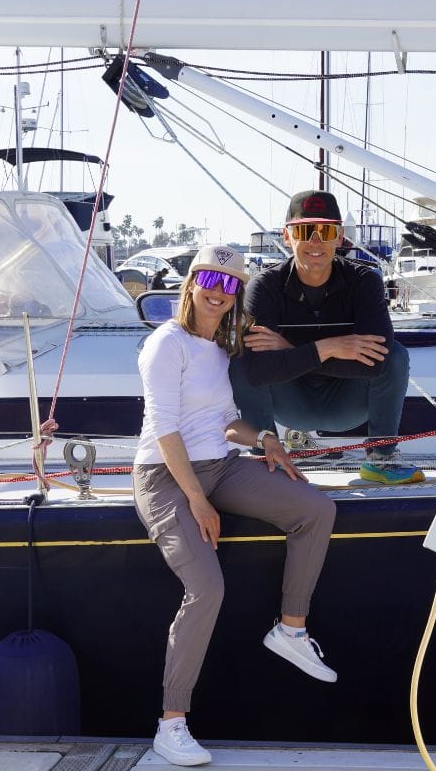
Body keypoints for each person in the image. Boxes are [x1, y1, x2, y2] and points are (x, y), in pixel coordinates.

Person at [133, 244, 338, 767]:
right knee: (207, 589)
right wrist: (198, 501)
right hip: (166, 479)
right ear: (191, 284)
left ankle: (291, 629)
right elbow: (165, 430)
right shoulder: (166, 344)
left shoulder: (218, 349)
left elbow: (226, 421)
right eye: (210, 280)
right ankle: (171, 724)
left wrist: (265, 438)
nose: (218, 292)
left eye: (229, 285)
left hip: (220, 465)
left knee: (316, 510)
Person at [230, 190, 423, 485]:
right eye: (305, 231)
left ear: (340, 237)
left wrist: (290, 349)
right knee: (241, 357)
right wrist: (330, 347)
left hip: (346, 403)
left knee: (395, 356)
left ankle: (381, 458)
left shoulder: (364, 281)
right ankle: (265, 460)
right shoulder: (265, 287)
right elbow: (256, 371)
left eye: (326, 231)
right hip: (291, 402)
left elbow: (377, 363)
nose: (316, 241)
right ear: (287, 236)